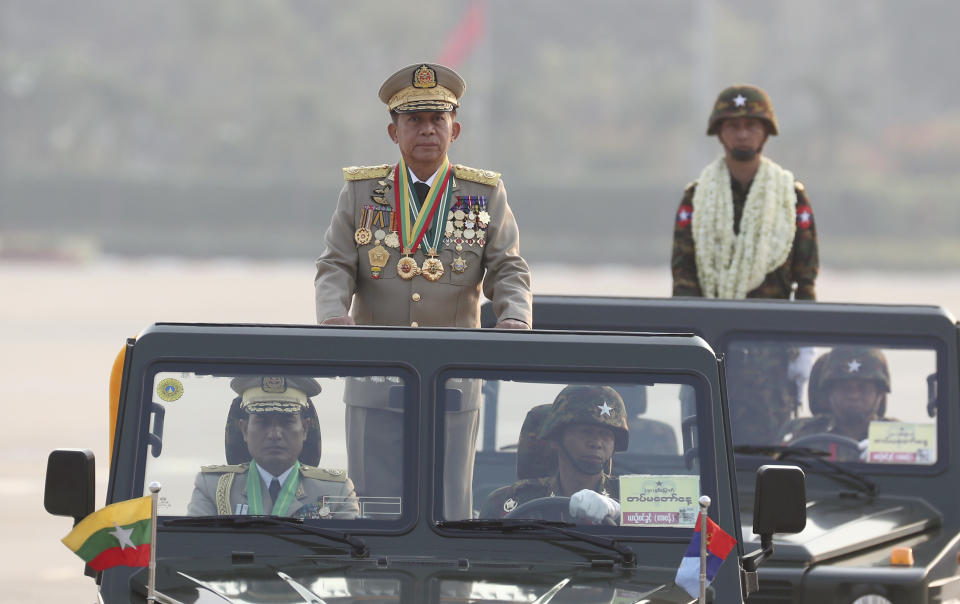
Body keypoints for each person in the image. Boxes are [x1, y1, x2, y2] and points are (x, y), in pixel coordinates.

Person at [313, 63, 533, 519]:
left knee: (448, 510)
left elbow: (508, 268)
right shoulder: (361, 193)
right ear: (394, 132)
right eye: (415, 120)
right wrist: (334, 318)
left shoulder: (484, 194)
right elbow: (334, 265)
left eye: (438, 119)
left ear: (456, 128)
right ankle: (374, 594)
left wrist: (514, 317)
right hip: (376, 382)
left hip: (451, 385)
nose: (427, 130)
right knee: (375, 512)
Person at [671, 84, 818, 300]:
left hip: (773, 323)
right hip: (711, 323)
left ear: (766, 132)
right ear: (720, 133)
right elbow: (683, 275)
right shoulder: (697, 197)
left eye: (751, 126)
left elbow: (806, 279)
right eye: (733, 126)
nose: (742, 134)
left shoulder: (790, 197)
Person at [187, 376, 359, 519]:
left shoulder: (337, 492)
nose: (275, 434)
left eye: (286, 422)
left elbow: (349, 555)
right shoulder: (213, 488)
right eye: (263, 421)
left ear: (305, 429)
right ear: (244, 430)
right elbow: (196, 552)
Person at [479, 385, 628, 524]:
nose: (596, 443)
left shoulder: (631, 497)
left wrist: (621, 511)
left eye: (606, 435)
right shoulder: (508, 501)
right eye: (585, 432)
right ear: (555, 440)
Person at [779, 347, 892, 452]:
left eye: (863, 388)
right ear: (828, 393)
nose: (853, 395)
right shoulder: (799, 433)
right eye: (844, 387)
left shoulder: (897, 437)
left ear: (880, 394)